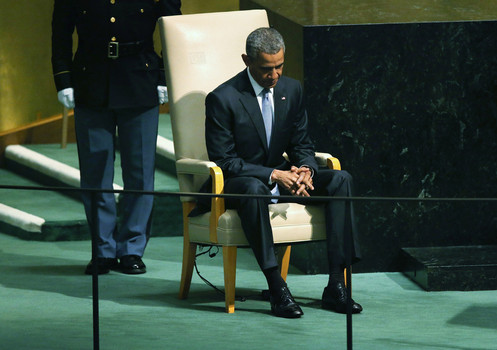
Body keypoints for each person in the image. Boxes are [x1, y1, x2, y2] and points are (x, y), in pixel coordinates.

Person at [202, 27, 363, 318]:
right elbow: (224, 161)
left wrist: (305, 170)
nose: (274, 75)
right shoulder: (223, 98)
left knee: (341, 179)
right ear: (246, 60)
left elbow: (302, 143)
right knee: (254, 188)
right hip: (242, 184)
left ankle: (336, 286)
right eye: (266, 69)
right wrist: (274, 175)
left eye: (279, 66)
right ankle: (276, 287)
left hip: (283, 178)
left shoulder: (291, 90)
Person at [51, 0, 181, 275]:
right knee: (95, 171)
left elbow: (172, 29)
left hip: (140, 80)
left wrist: (163, 76)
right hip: (91, 81)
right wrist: (64, 79)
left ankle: (132, 249)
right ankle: (103, 250)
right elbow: (60, 32)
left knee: (140, 171)